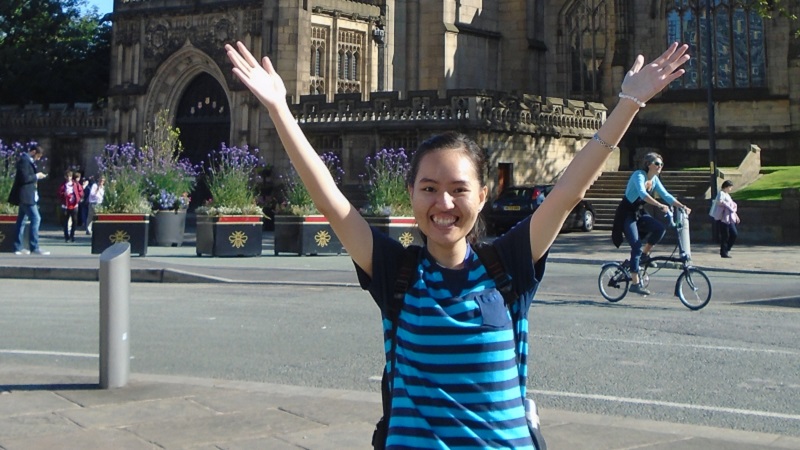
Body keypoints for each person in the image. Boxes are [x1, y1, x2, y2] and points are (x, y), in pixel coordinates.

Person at [226, 40, 689, 448]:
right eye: (428, 188)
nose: (443, 202)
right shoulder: (396, 273)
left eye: (458, 189)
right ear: (411, 195)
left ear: (483, 196)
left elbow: (568, 192)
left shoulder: (508, 264)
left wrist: (627, 103)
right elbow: (331, 200)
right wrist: (279, 111)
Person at [612, 152, 692, 295]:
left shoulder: (654, 179)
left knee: (659, 228)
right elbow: (642, 194)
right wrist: (659, 205)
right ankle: (635, 283)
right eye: (657, 164)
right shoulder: (639, 175)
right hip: (626, 214)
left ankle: (645, 255)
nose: (660, 166)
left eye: (661, 164)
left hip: (639, 212)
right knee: (636, 246)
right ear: (648, 165)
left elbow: (666, 195)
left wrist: (682, 206)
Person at [11, 144, 50, 255]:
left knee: (21, 221)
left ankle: (18, 247)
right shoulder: (24, 160)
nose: (38, 159)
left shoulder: (26, 160)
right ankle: (34, 247)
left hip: (27, 195)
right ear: (33, 152)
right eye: (38, 156)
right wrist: (37, 176)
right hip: (26, 196)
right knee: (36, 218)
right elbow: (25, 178)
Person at [714, 180, 739, 258]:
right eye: (730, 187)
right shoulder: (721, 193)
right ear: (726, 187)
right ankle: (724, 252)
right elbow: (719, 202)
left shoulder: (727, 195)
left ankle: (726, 249)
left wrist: (736, 215)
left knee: (734, 234)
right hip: (723, 218)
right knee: (725, 235)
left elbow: (731, 207)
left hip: (730, 218)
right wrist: (726, 204)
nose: (730, 189)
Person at [58, 170, 84, 242]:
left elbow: (81, 192)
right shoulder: (63, 185)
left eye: (70, 176)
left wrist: (78, 198)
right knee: (65, 221)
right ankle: (67, 237)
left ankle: (72, 235)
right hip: (65, 205)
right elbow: (59, 193)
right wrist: (64, 194)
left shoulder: (76, 184)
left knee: (74, 221)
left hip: (74, 205)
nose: (69, 178)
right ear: (65, 177)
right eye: (67, 176)